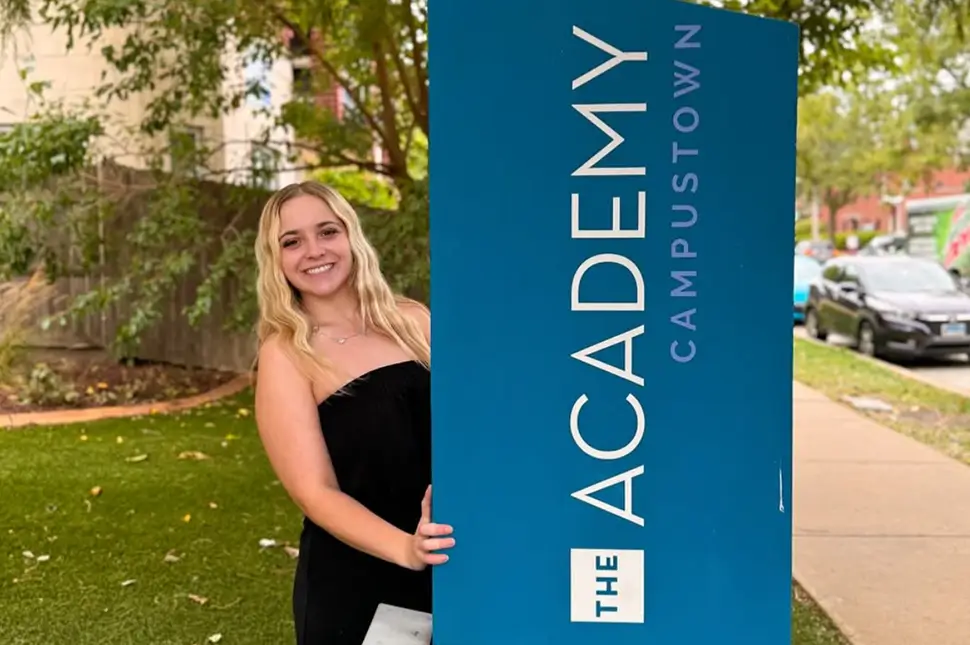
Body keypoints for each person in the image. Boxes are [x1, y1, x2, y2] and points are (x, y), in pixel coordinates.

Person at [252, 181, 454, 644]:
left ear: (351, 236)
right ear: (276, 260)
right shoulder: (286, 355)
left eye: (327, 231)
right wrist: (407, 548)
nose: (313, 251)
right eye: (292, 241)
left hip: (450, 557)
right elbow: (315, 493)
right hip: (359, 584)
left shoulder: (414, 320)